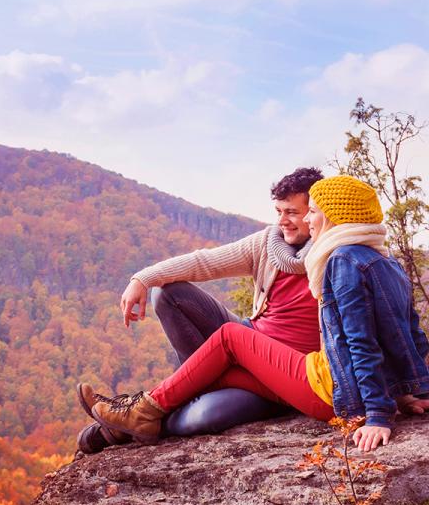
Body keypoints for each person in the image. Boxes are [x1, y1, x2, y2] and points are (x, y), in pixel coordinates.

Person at [79, 175, 429, 453]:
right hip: (283, 365)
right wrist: (412, 389)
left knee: (200, 410)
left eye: (302, 211)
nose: (291, 220)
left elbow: (363, 340)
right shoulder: (377, 259)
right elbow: (405, 333)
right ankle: (130, 419)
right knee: (185, 323)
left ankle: (130, 421)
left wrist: (382, 412)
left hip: (312, 380)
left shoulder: (340, 261)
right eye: (281, 211)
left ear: (329, 215)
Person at [77, 167, 325, 454]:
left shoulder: (331, 254)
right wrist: (142, 278)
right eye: (278, 211)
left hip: (285, 373)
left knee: (203, 416)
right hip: (247, 341)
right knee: (170, 294)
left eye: (292, 212)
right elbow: (204, 263)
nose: (283, 221)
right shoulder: (269, 244)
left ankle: (118, 430)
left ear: (314, 212)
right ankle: (173, 393)